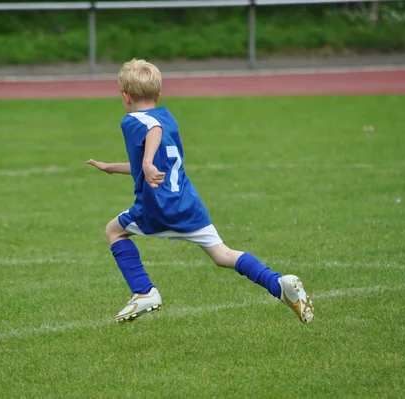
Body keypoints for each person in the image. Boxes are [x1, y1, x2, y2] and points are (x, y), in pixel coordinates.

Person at [87, 58, 314, 324]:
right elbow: (156, 153)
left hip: (159, 206)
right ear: (158, 94)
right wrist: (113, 167)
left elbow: (153, 132)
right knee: (222, 255)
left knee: (114, 231)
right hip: (187, 203)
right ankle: (279, 284)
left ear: (125, 96)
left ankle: (143, 291)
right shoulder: (167, 117)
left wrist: (147, 163)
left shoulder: (134, 121)